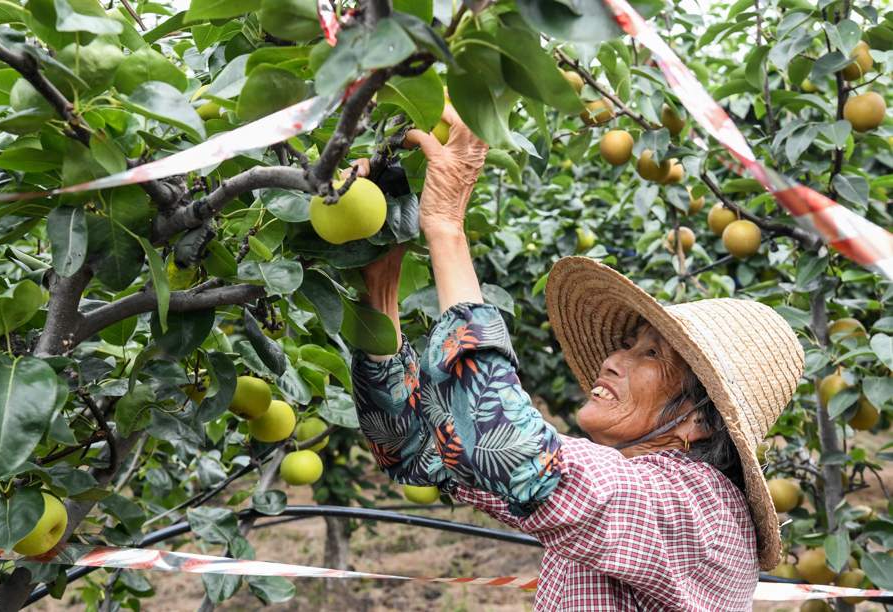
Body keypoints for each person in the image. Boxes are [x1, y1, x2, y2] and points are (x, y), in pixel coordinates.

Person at [344, 106, 804, 611]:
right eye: (628, 345)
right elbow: (417, 451)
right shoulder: (612, 494)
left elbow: (511, 452)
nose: (612, 360)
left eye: (651, 354)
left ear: (700, 421)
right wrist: (380, 290)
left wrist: (448, 228)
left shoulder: (700, 509)